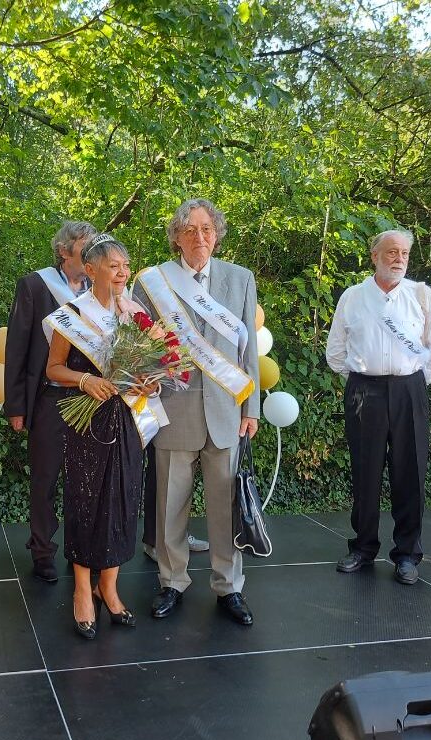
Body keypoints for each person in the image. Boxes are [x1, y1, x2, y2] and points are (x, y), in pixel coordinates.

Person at [133, 198, 260, 626]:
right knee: (170, 506)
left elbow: (249, 352)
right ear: (176, 237)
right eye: (190, 229)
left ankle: (229, 587)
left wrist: (251, 406)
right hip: (174, 409)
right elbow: (137, 348)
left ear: (217, 235)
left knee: (226, 507)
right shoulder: (151, 284)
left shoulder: (241, 279)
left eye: (206, 229)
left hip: (226, 410)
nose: (199, 237)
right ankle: (172, 582)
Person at [325, 229, 431, 585]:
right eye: (391, 252)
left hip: (410, 390)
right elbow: (336, 352)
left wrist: (411, 383)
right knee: (365, 473)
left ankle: (408, 554)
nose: (399, 258)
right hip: (365, 391)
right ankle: (363, 548)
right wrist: (366, 379)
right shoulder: (352, 297)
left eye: (405, 253)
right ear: (374, 256)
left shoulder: (421, 296)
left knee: (409, 474)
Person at [44, 234, 151, 639]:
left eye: (125, 265)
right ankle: (83, 590)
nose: (122, 272)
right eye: (113, 266)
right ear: (90, 270)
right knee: (86, 499)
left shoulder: (133, 314)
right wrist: (85, 379)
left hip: (125, 418)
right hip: (85, 421)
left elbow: (143, 370)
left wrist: (148, 383)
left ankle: (110, 586)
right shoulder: (71, 315)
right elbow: (54, 369)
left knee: (122, 498)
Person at [5, 220, 96, 583]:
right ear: (64, 250)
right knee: (45, 479)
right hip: (49, 398)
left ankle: (82, 550)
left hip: (92, 399)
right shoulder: (35, 285)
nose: (91, 254)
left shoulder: (98, 288)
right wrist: (16, 406)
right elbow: (17, 347)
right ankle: (42, 550)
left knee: (85, 480)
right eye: (85, 247)